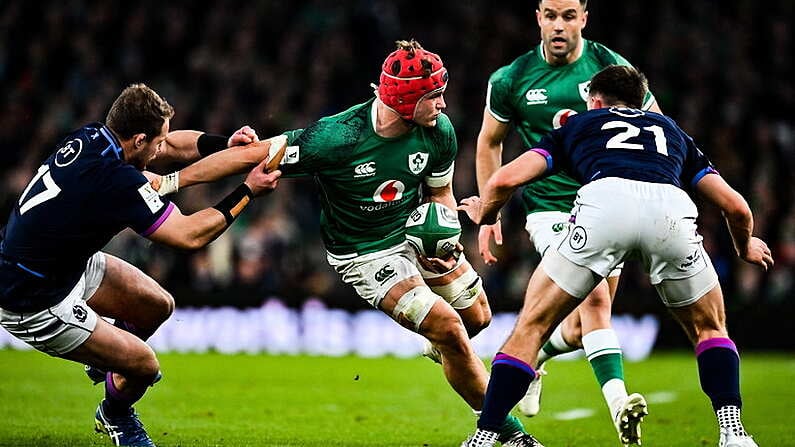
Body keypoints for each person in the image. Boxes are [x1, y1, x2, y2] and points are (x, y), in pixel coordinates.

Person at [145, 40, 540, 447]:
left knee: (478, 319)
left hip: (412, 234)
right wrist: (171, 181)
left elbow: (440, 196)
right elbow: (252, 156)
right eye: (434, 95)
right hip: (364, 253)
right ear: (406, 99)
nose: (443, 104)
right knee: (450, 329)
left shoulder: (440, 133)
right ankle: (506, 433)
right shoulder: (336, 138)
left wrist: (444, 242)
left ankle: (444, 348)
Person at [458, 65, 772, 447]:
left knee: (531, 328)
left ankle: (485, 437)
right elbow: (737, 208)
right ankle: (733, 433)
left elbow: (505, 179)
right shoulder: (670, 131)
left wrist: (486, 215)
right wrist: (746, 245)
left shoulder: (581, 125)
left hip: (604, 207)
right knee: (710, 327)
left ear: (594, 100)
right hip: (669, 210)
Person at [0, 84, 281, 447]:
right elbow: (188, 236)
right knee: (144, 367)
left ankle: (105, 360)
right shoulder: (116, 181)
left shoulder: (91, 137)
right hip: (33, 299)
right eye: (157, 142)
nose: (164, 148)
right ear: (137, 140)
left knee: (157, 305)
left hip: (60, 264)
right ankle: (116, 414)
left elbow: (175, 145)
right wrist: (248, 192)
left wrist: (223, 143)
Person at [476, 0, 661, 438]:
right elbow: (489, 142)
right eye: (551, 15)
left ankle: (534, 360)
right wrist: (489, 213)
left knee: (578, 327)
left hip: (609, 203)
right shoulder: (511, 79)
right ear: (537, 17)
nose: (559, 25)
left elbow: (655, 127)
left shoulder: (611, 68)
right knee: (596, 302)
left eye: (568, 15)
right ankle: (620, 405)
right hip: (550, 209)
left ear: (584, 18)